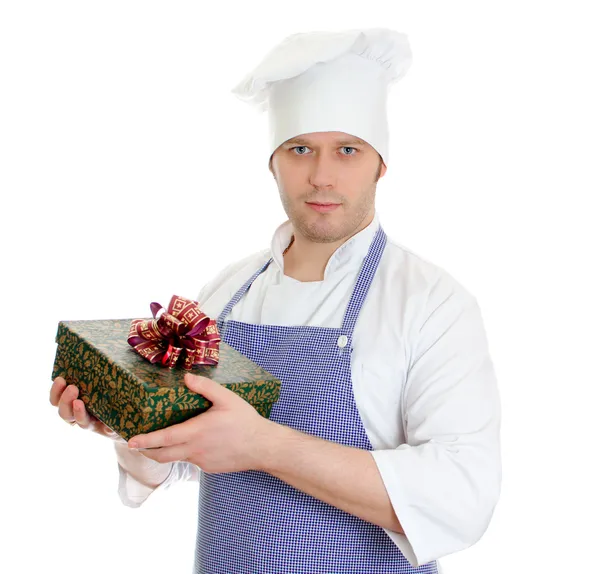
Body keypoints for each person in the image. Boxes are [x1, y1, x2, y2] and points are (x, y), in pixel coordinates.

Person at [50, 28, 501, 573]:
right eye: (300, 149)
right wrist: (131, 420)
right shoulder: (227, 292)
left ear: (381, 164)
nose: (321, 175)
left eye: (348, 150)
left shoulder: (431, 303)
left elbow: (461, 497)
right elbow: (187, 461)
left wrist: (263, 445)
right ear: (273, 161)